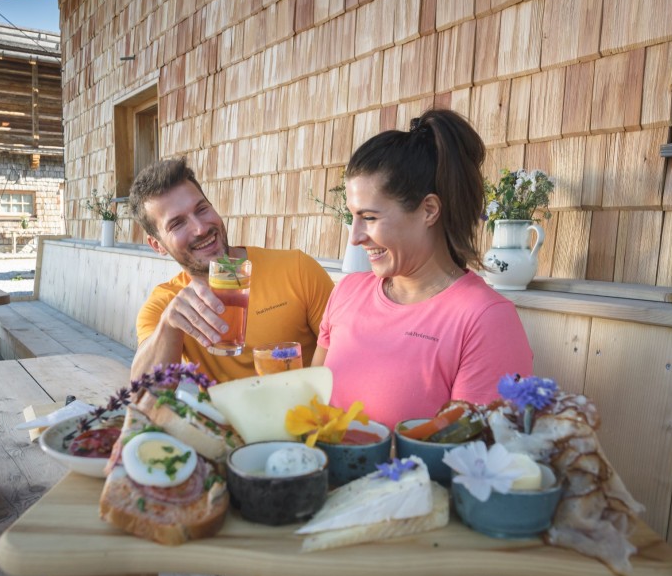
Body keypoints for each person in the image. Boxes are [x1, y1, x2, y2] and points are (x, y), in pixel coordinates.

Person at [312, 109, 533, 429]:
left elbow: (479, 459)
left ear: (429, 210)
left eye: (369, 218)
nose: (356, 237)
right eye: (353, 217)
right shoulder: (346, 293)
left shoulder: (484, 320)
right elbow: (312, 405)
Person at [128, 158, 334, 384]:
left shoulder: (296, 269)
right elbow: (143, 391)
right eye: (177, 224)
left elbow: (348, 355)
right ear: (156, 245)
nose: (200, 228)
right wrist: (169, 326)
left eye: (202, 209)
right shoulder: (165, 305)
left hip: (305, 416)